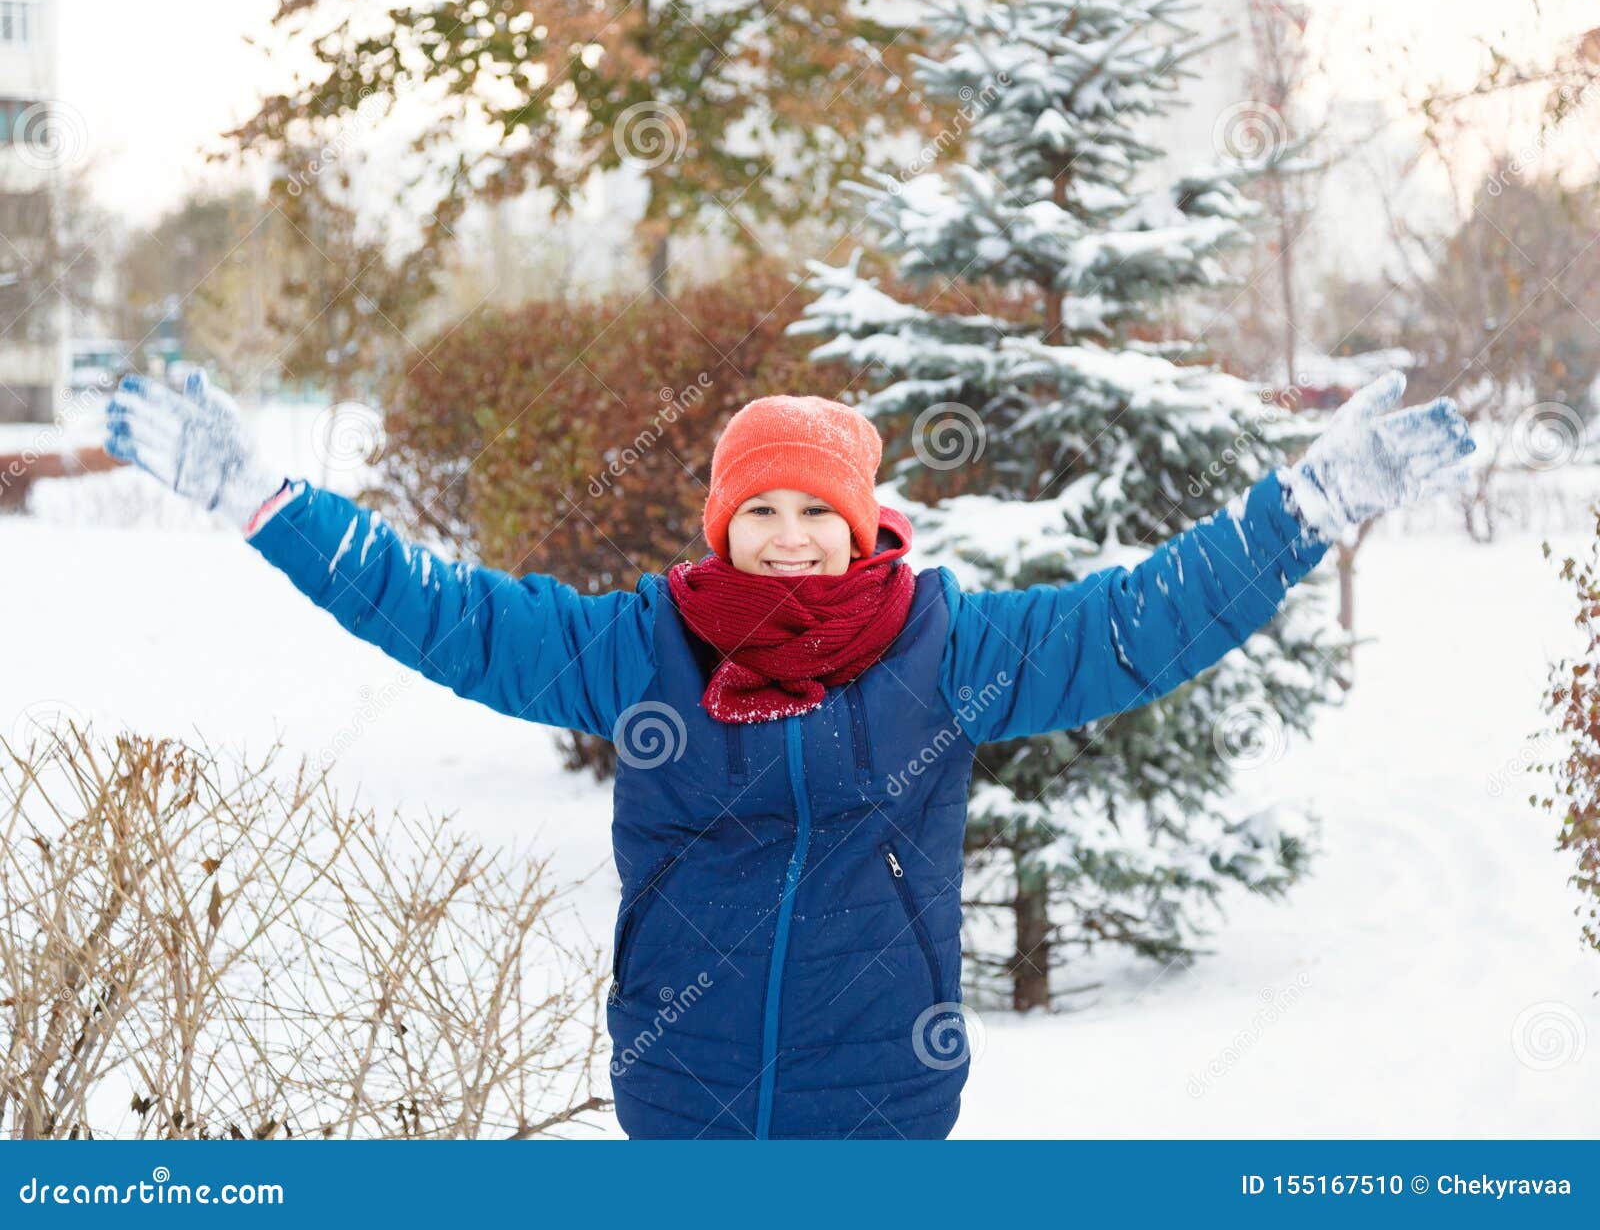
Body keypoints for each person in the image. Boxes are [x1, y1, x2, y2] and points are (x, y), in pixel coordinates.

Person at [101, 370, 1474, 1139]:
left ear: (860, 518)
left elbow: (1138, 624)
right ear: (721, 525)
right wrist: (264, 504)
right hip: (681, 1089)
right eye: (758, 508)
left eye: (812, 508)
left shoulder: (948, 652)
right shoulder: (647, 648)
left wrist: (1304, 508)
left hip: (883, 1091)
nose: (788, 536)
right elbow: (453, 618)